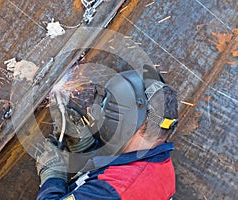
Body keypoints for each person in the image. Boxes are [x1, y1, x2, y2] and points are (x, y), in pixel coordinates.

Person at [36, 65, 178, 200]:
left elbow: (108, 189)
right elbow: (112, 172)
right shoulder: (158, 166)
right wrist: (86, 149)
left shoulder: (116, 189)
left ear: (131, 120)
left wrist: (52, 177)